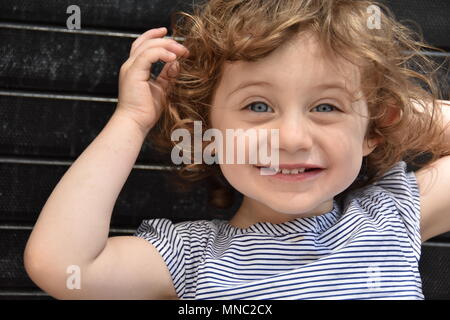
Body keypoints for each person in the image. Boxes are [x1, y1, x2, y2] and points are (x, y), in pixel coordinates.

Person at [24, 0, 450, 300]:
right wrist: (131, 120)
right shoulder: (192, 258)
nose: (293, 138)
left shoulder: (390, 216)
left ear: (373, 128)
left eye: (326, 106)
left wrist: (388, 111)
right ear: (208, 131)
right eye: (258, 106)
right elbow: (62, 267)